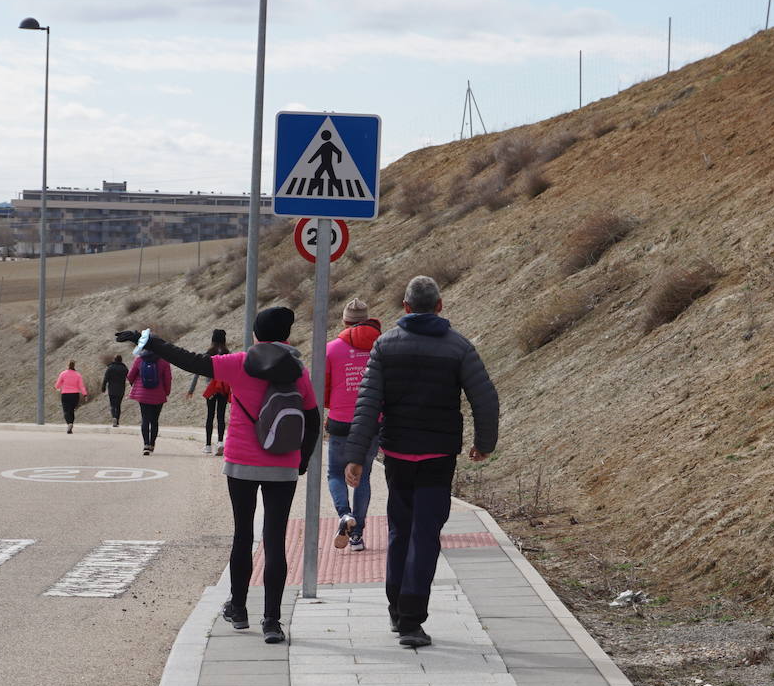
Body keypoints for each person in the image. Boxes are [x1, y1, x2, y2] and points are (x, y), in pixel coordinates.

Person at [117, 307, 321, 644]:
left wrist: (150, 340)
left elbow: (191, 360)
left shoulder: (239, 363)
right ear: (286, 336)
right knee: (274, 539)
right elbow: (312, 419)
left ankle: (238, 609)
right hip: (283, 464)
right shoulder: (297, 370)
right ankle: (272, 621)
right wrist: (301, 461)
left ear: (256, 334)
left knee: (243, 534)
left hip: (241, 461)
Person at [345, 276, 498, 648]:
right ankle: (412, 619)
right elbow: (485, 398)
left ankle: (398, 611)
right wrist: (484, 443)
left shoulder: (385, 345)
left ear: (406, 307)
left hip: (396, 455)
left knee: (400, 529)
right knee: (426, 533)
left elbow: (368, 403)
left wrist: (355, 455)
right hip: (438, 456)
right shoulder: (458, 347)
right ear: (440, 306)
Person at [325, 298, 383, 552]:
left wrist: (335, 403)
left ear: (345, 322)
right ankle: (357, 535)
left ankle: (344, 515)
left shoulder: (331, 349)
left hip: (340, 421)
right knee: (364, 476)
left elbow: (324, 389)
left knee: (336, 473)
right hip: (371, 422)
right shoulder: (381, 347)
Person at [184, 328, 231, 455]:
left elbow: (197, 372)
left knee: (210, 416)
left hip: (211, 389)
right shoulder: (228, 353)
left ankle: (208, 445)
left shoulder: (208, 353)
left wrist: (191, 389)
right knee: (221, 415)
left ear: (213, 339)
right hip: (223, 389)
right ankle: (221, 442)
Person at [126, 347, 171, 455]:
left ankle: (145, 445)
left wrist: (135, 384)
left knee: (145, 419)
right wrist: (166, 392)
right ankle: (152, 444)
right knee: (154, 421)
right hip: (158, 395)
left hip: (143, 395)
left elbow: (130, 376)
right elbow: (168, 379)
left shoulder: (139, 359)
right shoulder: (164, 361)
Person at [54, 360, 88, 434]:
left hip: (65, 394)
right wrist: (85, 394)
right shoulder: (78, 375)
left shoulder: (63, 374)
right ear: (74, 366)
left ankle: (69, 423)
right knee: (71, 410)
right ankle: (71, 424)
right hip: (75, 395)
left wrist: (57, 387)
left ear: (68, 365)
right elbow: (81, 386)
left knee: (66, 411)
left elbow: (57, 385)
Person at [99, 354, 128, 427]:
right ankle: (117, 420)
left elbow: (106, 378)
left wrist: (103, 387)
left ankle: (114, 417)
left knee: (112, 405)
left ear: (114, 360)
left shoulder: (110, 368)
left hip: (112, 389)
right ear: (121, 360)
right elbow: (130, 377)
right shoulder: (124, 368)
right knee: (118, 405)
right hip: (121, 389)